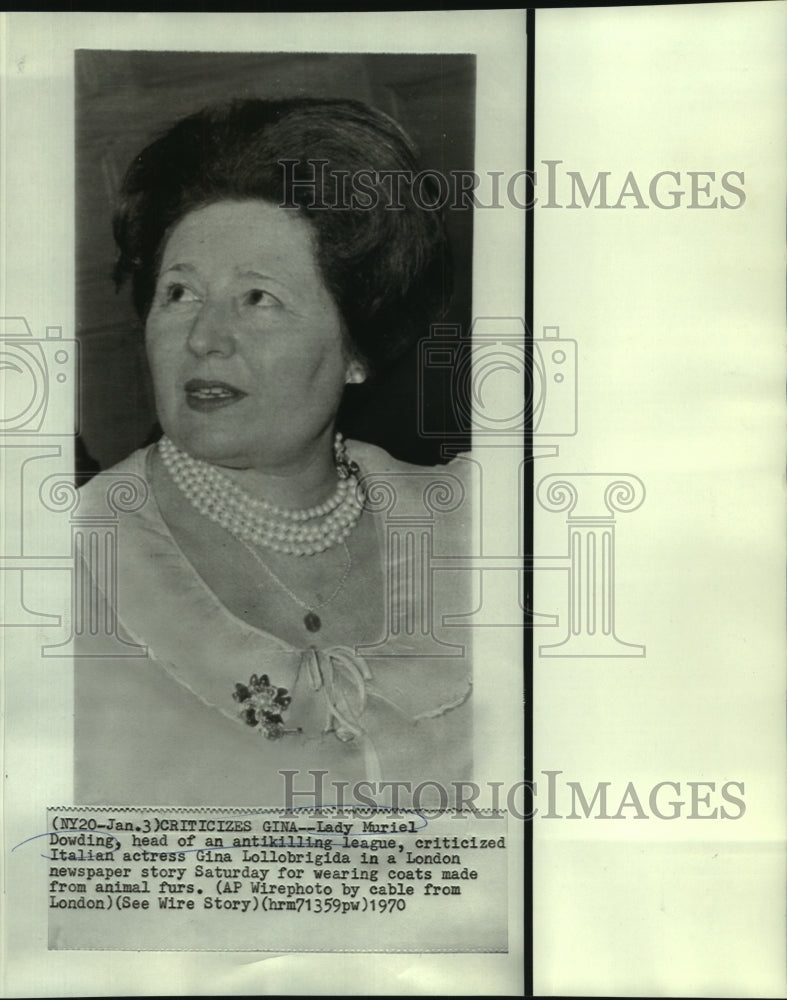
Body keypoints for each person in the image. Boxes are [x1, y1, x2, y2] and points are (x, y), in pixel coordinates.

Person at [74, 98, 474, 806]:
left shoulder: (470, 525)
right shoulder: (68, 556)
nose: (204, 338)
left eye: (257, 297)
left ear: (356, 347)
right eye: (178, 293)